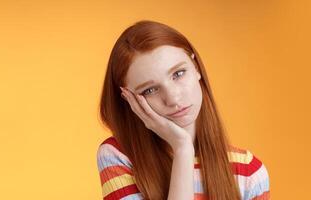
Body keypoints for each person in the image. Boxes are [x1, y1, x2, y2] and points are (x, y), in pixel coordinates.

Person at [96, 20, 270, 200]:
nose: (173, 98)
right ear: (128, 99)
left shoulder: (248, 172)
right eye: (150, 90)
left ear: (195, 68)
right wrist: (183, 149)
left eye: (178, 74)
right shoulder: (118, 156)